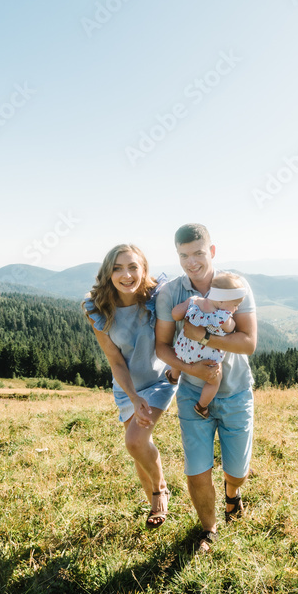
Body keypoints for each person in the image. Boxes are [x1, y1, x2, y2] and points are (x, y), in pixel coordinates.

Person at [155, 224, 257, 552]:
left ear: (211, 251)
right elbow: (162, 347)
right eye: (183, 255)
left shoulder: (235, 287)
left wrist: (208, 337)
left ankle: (232, 493)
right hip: (190, 393)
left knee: (237, 471)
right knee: (197, 470)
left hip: (236, 391)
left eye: (198, 253)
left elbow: (248, 343)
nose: (191, 261)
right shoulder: (172, 292)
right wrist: (190, 368)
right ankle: (209, 530)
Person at [83, 244, 176, 529]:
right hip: (127, 387)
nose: (126, 275)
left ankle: (160, 491)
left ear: (144, 269)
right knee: (137, 448)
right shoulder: (97, 309)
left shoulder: (158, 297)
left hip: (161, 380)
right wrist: (134, 397)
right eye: (118, 268)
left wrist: (179, 367)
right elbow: (115, 360)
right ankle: (154, 503)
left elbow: (184, 327)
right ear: (108, 273)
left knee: (135, 440)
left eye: (133, 267)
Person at [166, 272, 247, 419]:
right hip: (206, 360)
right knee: (214, 381)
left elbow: (175, 314)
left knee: (178, 354)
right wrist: (231, 321)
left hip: (183, 350)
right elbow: (231, 328)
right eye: (235, 305)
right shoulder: (223, 316)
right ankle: (201, 406)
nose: (235, 309)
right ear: (222, 301)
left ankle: (173, 376)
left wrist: (185, 309)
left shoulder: (194, 301)